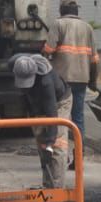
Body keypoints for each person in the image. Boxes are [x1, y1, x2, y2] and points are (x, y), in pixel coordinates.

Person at [44, 0, 99, 160]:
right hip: (82, 79)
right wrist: (93, 80)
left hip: (62, 80)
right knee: (78, 118)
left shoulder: (58, 24)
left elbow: (48, 49)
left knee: (59, 116)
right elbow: (94, 59)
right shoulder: (87, 27)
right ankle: (79, 156)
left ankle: (58, 155)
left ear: (62, 9)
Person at [12, 52, 72, 189]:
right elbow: (23, 95)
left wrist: (50, 143)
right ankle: (47, 185)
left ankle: (57, 190)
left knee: (57, 143)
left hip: (60, 102)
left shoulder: (46, 81)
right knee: (41, 142)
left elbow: (52, 115)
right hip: (38, 104)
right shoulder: (15, 65)